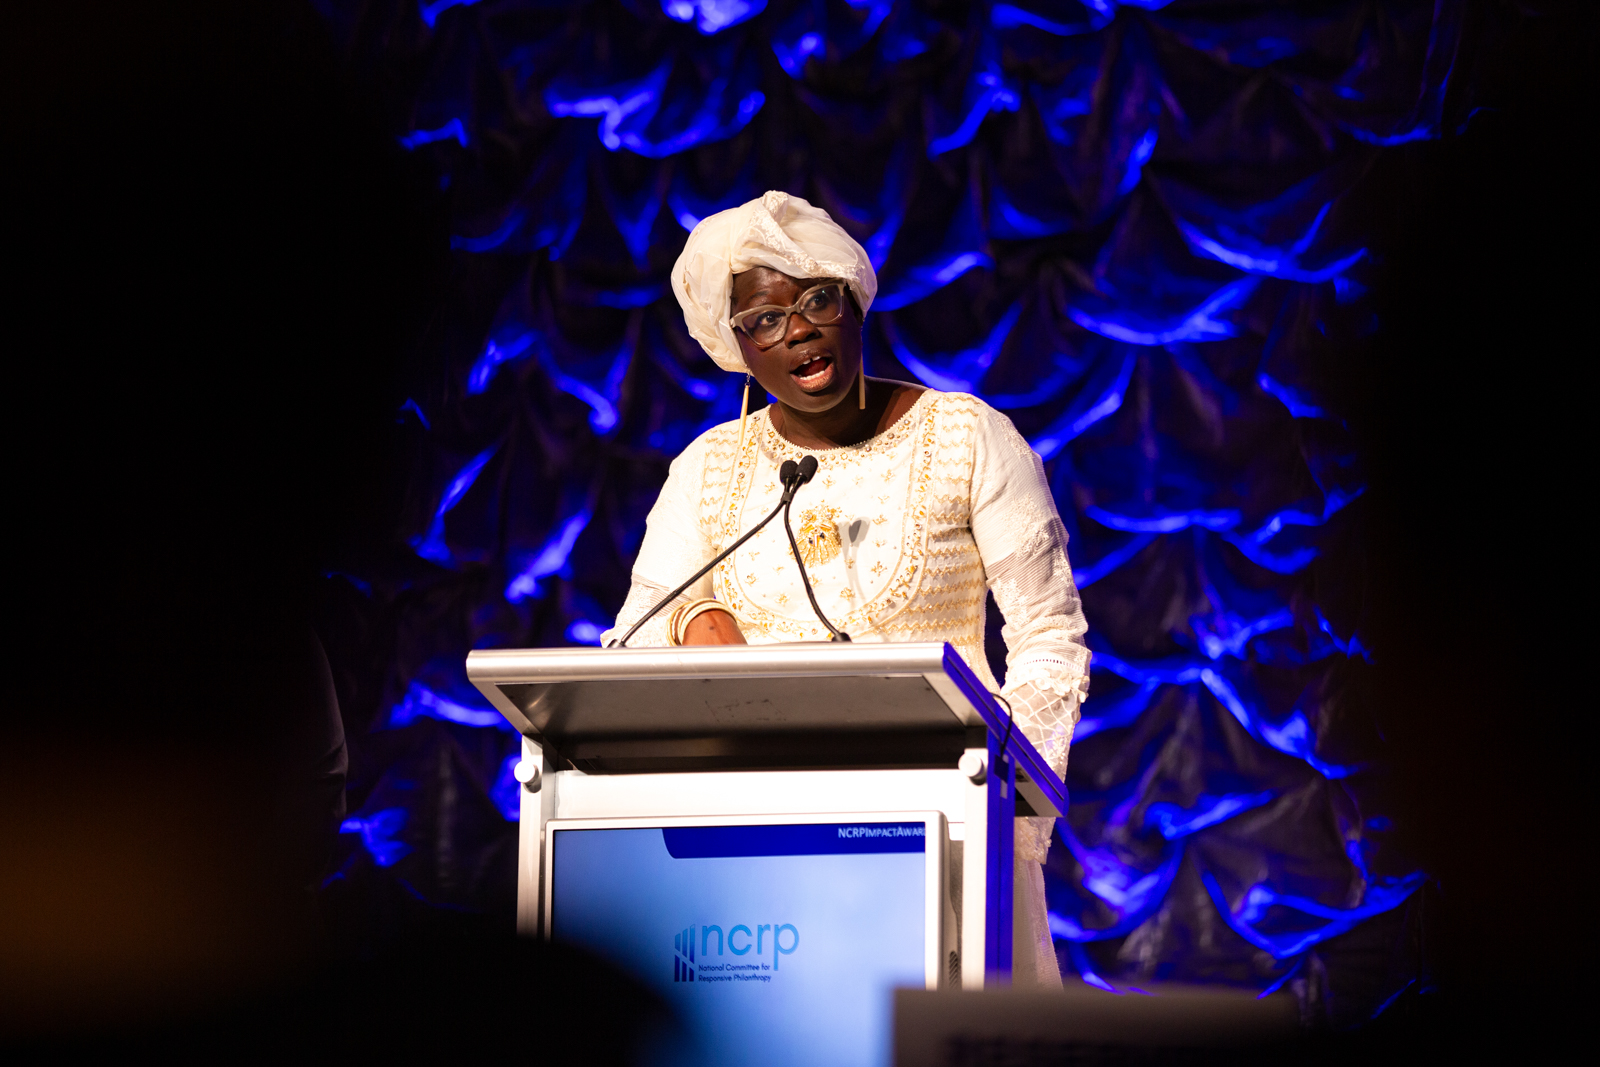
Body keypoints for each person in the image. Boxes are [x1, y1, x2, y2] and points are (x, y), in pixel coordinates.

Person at [602, 191, 1090, 984]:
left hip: (949, 838)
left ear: (853, 299)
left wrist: (1002, 802)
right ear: (737, 348)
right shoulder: (706, 470)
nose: (796, 328)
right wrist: (698, 616)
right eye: (762, 319)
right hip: (763, 854)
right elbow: (631, 637)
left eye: (815, 299)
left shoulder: (968, 436)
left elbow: (1048, 636)